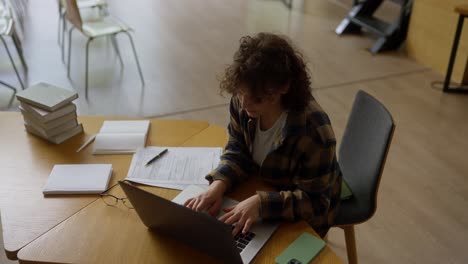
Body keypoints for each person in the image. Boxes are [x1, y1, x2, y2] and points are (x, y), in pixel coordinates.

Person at [184, 32, 342, 238]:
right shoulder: (244, 99)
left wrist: (261, 203)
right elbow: (237, 149)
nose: (245, 104)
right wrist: (218, 184)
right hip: (263, 186)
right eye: (240, 93)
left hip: (302, 218)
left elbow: (316, 203)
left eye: (257, 98)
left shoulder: (314, 131)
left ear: (284, 87)